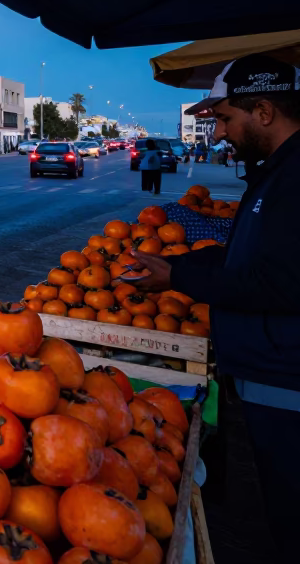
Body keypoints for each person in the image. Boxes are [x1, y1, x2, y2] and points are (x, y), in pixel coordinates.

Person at [130, 53, 300, 554]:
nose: (221, 133)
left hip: (286, 384)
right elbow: (251, 260)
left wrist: (179, 274)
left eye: (226, 118)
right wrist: (181, 272)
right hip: (267, 376)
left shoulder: (294, 179)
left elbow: (279, 282)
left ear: (263, 111)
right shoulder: (276, 172)